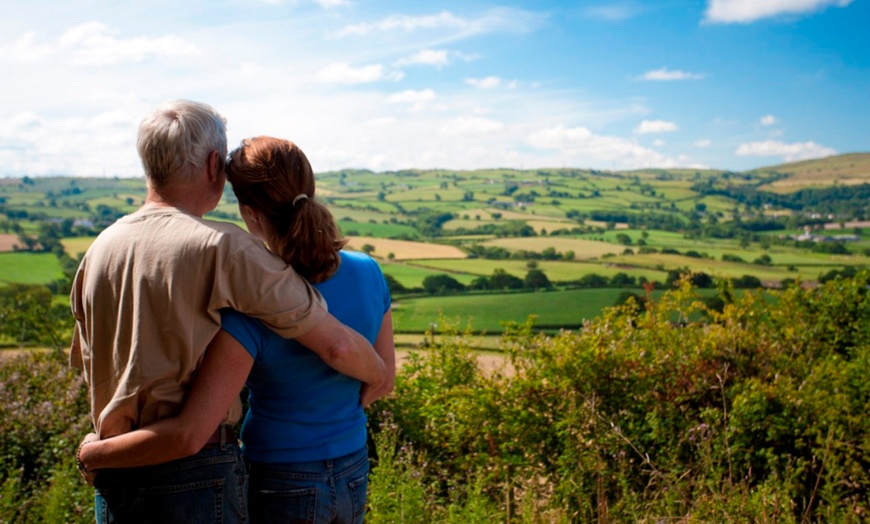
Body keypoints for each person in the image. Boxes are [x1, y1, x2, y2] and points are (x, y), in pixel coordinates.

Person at [70, 102, 386, 523]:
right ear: (214, 164)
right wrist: (381, 374)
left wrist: (99, 451)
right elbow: (337, 343)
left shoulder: (99, 249)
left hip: (116, 472)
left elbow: (88, 360)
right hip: (195, 473)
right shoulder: (224, 249)